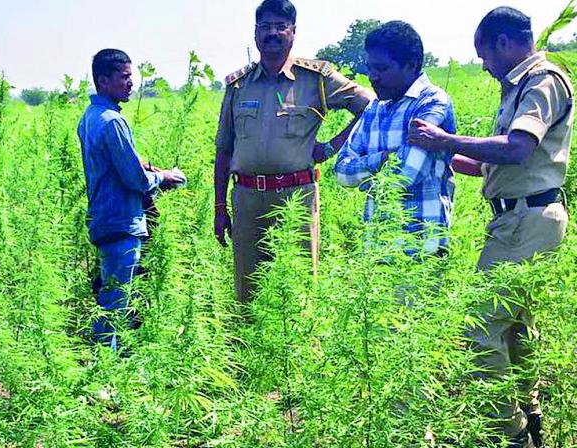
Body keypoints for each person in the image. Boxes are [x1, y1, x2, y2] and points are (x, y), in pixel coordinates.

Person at [409, 7, 572, 447]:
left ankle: (511, 434)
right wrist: (440, 154)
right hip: (519, 216)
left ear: (503, 43)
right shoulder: (517, 87)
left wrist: (445, 140)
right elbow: (487, 163)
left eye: (485, 54)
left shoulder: (542, 80)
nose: (483, 65)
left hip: (528, 218)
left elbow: (518, 147)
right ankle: (532, 417)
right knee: (517, 327)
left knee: (478, 328)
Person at [214, 0, 374, 303]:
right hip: (247, 200)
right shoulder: (239, 85)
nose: (272, 33)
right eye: (265, 26)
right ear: (255, 32)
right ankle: (252, 349)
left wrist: (331, 147)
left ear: (293, 31)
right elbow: (224, 150)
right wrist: (220, 208)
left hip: (296, 198)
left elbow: (370, 107)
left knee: (298, 290)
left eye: (280, 26)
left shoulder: (316, 78)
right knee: (248, 293)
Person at [77, 49, 184, 350]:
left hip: (106, 219)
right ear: (103, 80)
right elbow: (133, 178)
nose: (131, 84)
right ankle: (103, 374)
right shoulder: (112, 121)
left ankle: (116, 368)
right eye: (124, 78)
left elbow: (126, 163)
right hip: (121, 222)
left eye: (130, 77)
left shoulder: (90, 117)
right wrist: (163, 178)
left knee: (117, 297)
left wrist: (152, 170)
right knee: (115, 302)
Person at [334, 21, 456, 256]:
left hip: (420, 251)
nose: (373, 77)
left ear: (410, 65)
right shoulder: (374, 108)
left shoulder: (431, 102)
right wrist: (382, 158)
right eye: (370, 68)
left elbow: (405, 174)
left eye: (381, 69)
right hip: (377, 252)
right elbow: (341, 173)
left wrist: (365, 175)